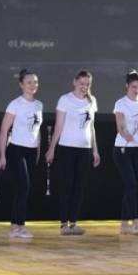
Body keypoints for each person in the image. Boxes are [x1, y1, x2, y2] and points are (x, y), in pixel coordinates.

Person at [46, 70, 100, 235]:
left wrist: (95, 150)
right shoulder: (65, 100)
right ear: (75, 82)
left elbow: (92, 127)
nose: (84, 87)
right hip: (67, 148)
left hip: (85, 149)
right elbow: (59, 126)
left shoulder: (91, 101)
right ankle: (63, 223)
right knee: (67, 185)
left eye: (87, 84)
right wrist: (52, 148)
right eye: (82, 83)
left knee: (79, 186)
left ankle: (74, 222)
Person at [0, 69, 43, 239]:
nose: (33, 85)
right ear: (21, 85)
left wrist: (38, 150)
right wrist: (2, 155)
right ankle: (18, 226)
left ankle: (16, 225)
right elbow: (4, 131)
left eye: (35, 82)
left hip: (32, 151)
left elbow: (37, 131)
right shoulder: (15, 104)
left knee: (24, 188)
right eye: (29, 82)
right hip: (17, 149)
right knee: (23, 185)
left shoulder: (39, 105)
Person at [112, 70, 138, 235]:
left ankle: (123, 223)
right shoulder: (120, 103)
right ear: (127, 86)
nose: (137, 90)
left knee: (131, 187)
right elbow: (120, 126)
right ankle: (134, 220)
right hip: (123, 149)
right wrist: (128, 136)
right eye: (134, 86)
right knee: (131, 184)